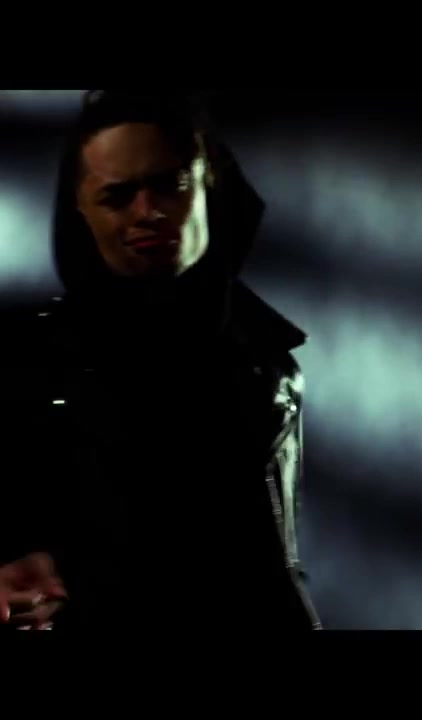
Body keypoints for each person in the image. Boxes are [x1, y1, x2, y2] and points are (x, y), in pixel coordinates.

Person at [0, 91, 320, 630]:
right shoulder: (29, 365)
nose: (147, 213)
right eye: (117, 195)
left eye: (170, 185)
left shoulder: (263, 363)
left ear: (208, 181)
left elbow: (274, 566)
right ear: (81, 206)